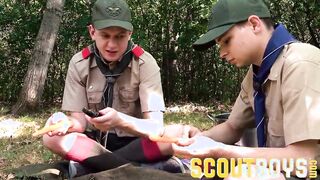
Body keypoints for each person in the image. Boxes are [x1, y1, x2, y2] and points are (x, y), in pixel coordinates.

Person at [170, 0, 320, 179]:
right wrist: (198, 141)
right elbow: (233, 127)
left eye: (226, 40)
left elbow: (305, 158)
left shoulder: (300, 64)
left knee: (244, 174)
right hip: (279, 167)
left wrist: (222, 151)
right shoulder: (258, 71)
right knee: (203, 167)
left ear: (254, 24)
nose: (222, 53)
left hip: (307, 171)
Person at [42, 0, 192, 177]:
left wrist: (119, 120)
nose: (112, 45)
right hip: (95, 146)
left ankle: (91, 168)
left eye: (120, 36)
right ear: (92, 32)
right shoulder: (79, 63)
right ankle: (146, 171)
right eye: (105, 35)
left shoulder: (145, 64)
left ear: (130, 34)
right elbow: (79, 123)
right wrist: (64, 123)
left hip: (137, 144)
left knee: (178, 133)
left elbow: (155, 128)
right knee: (51, 138)